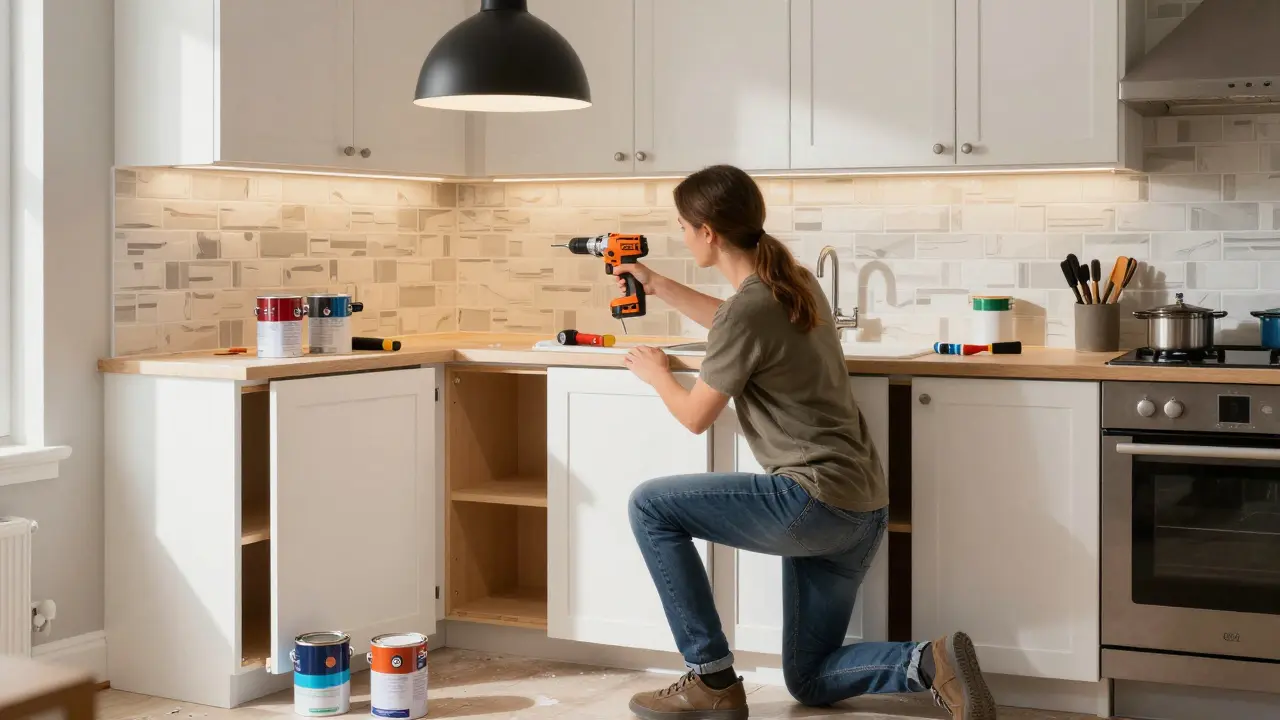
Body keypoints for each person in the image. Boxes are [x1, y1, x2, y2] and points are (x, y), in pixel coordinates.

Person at [617, 165, 996, 720]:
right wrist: (659, 285)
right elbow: (731, 321)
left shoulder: (752, 306)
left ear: (708, 233)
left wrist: (657, 375)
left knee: (649, 505)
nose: (681, 235)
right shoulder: (791, 280)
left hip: (812, 502)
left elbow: (696, 415)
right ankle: (928, 662)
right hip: (861, 508)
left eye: (682, 226)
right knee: (812, 678)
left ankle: (711, 678)